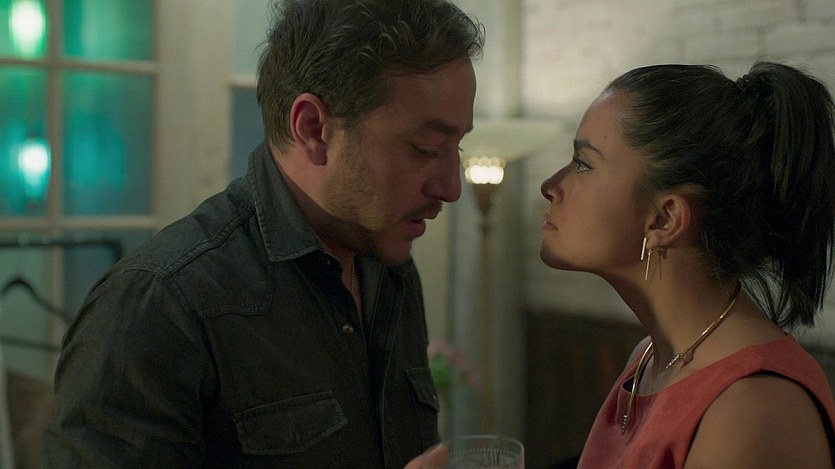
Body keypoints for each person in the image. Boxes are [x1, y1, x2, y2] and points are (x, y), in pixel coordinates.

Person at [44, 0, 484, 467]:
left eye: (457, 146)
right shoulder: (159, 306)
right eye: (425, 147)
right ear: (313, 129)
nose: (451, 188)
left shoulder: (387, 269)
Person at [539, 61, 835, 467]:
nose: (550, 186)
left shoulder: (752, 407)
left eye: (584, 164)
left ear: (665, 219)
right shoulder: (648, 358)